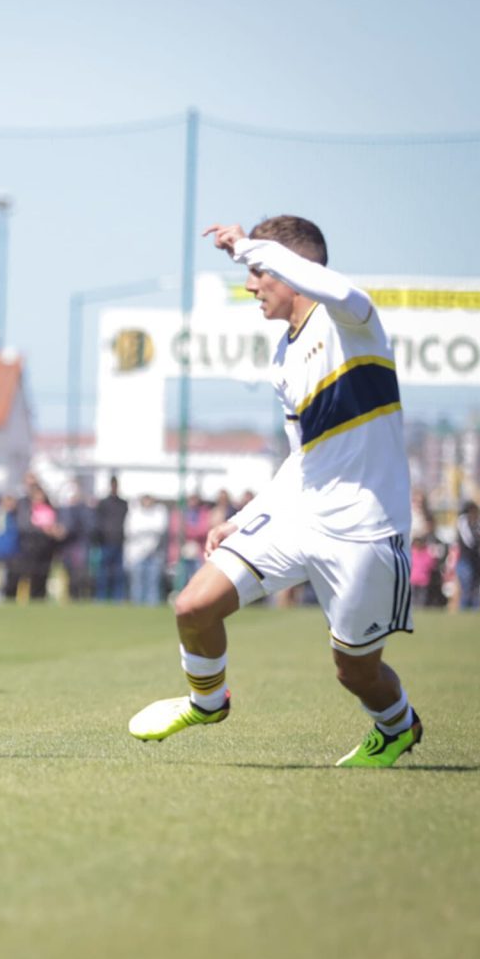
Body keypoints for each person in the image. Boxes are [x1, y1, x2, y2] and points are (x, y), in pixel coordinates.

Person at [130, 216, 421, 768]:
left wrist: (246, 245)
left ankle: (397, 724)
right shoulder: (284, 357)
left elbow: (334, 288)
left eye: (258, 272)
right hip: (299, 519)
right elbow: (301, 457)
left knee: (355, 671)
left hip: (364, 530)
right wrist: (244, 517)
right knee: (193, 605)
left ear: (292, 269)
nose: (250, 284)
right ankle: (207, 703)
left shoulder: (351, 321)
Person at [124, 494, 169, 605]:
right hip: (137, 554)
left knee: (152, 583)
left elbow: (160, 529)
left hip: (154, 554)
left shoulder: (159, 512)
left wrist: (144, 530)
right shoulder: (134, 512)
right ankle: (137, 605)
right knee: (137, 583)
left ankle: (152, 606)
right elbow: (131, 531)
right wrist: (149, 530)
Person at [93, 475, 128, 601]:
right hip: (105, 542)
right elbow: (98, 522)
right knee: (103, 573)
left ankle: (118, 598)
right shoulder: (103, 503)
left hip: (119, 542)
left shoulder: (123, 503)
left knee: (118, 573)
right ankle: (101, 597)